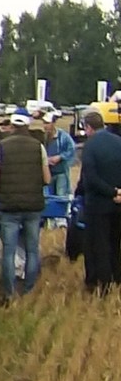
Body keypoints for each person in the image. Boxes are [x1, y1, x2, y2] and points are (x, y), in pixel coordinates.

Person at [0, 108, 47, 299]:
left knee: (9, 252)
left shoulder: (1, 147)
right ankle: (28, 290)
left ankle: (9, 292)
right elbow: (47, 178)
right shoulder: (39, 147)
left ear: (12, 125)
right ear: (28, 125)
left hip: (9, 207)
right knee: (32, 250)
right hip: (33, 207)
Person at [78, 107, 121, 294]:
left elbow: (91, 179)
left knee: (98, 245)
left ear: (88, 127)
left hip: (98, 205)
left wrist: (111, 192)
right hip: (118, 204)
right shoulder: (119, 142)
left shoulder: (90, 147)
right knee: (116, 243)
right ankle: (118, 278)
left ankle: (102, 284)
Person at [44, 106, 77, 208]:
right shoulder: (43, 137)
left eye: (48, 123)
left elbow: (71, 149)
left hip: (61, 172)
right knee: (48, 199)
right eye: (44, 123)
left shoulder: (63, 136)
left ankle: (60, 220)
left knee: (61, 198)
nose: (45, 126)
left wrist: (60, 157)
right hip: (48, 173)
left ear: (53, 123)